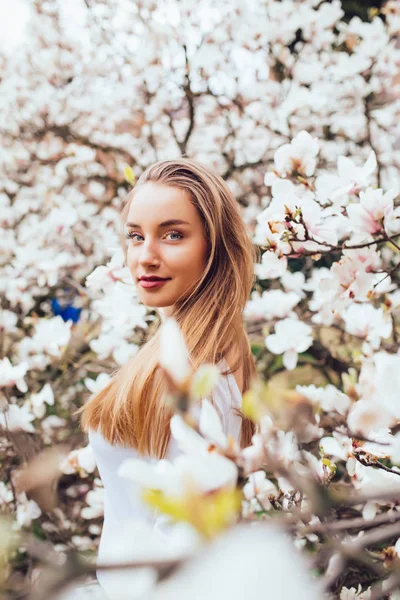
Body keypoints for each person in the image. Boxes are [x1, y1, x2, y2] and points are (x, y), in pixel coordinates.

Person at [77, 158, 259, 596]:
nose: (146, 256)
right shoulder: (189, 349)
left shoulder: (197, 375)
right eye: (136, 236)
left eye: (172, 235)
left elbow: (185, 551)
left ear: (214, 246)